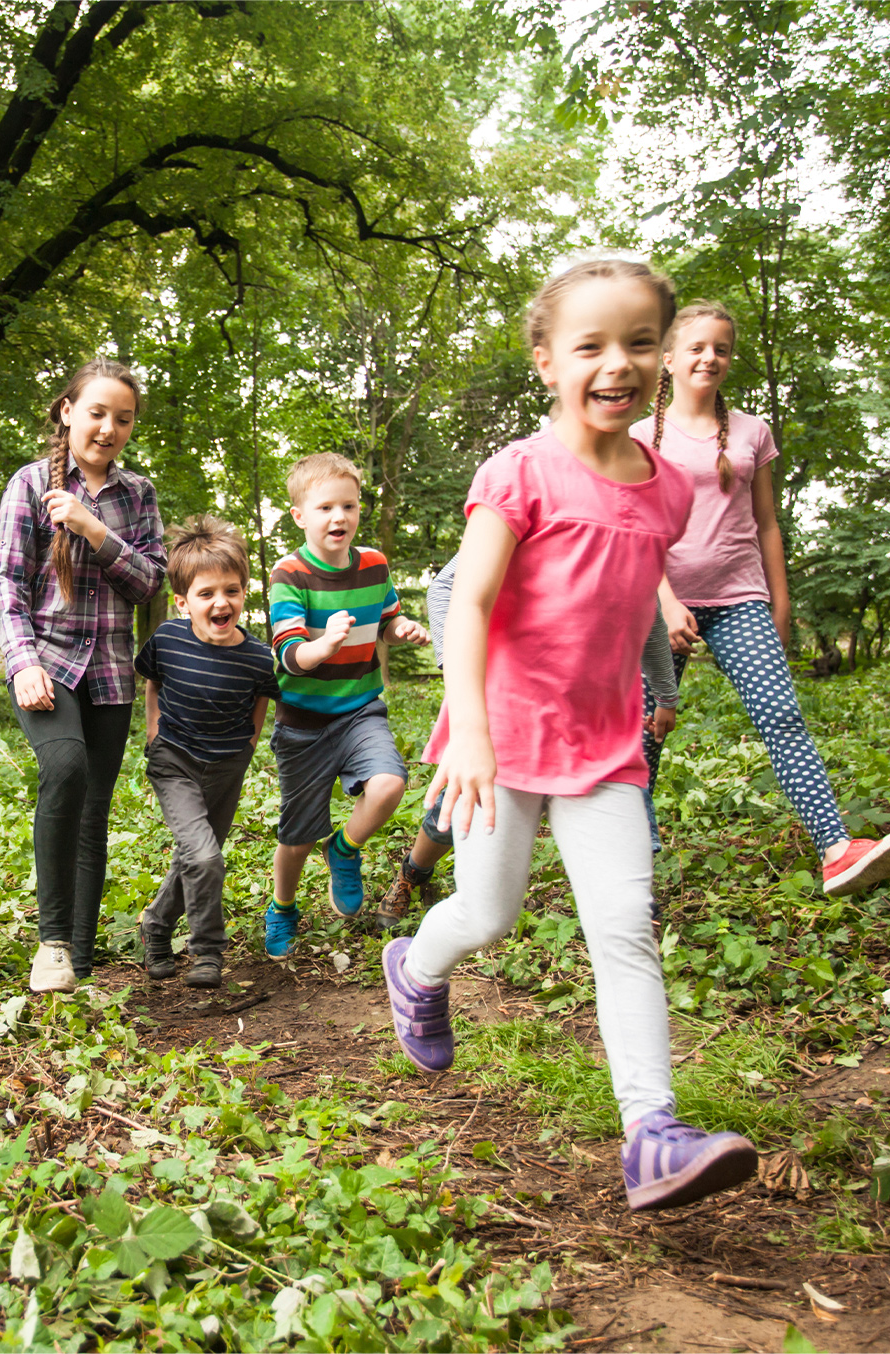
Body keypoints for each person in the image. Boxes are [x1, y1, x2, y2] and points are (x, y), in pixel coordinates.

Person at [382, 256, 759, 1212]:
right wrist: (467, 730)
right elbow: (468, 601)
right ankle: (416, 965)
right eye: (590, 344)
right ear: (547, 361)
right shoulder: (518, 472)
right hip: (500, 743)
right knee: (489, 913)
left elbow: (630, 593)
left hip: (605, 749)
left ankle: (652, 1133)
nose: (617, 363)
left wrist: (667, 648)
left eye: (639, 342)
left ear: (664, 360)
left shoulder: (667, 488)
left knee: (625, 928)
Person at [635, 302, 890, 896]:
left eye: (721, 348)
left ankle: (837, 849)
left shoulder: (752, 431)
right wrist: (662, 600)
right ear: (668, 359)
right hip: (659, 606)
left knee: (782, 718)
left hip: (741, 598)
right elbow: (636, 529)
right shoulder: (639, 436)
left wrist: (779, 607)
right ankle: (634, 864)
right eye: (696, 347)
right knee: (643, 733)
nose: (709, 357)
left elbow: (766, 523)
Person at [376, 554, 681, 930]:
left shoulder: (630, 526)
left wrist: (666, 695)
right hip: (510, 702)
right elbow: (444, 588)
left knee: (619, 797)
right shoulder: (526, 503)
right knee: (458, 808)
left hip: (593, 716)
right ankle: (413, 872)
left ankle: (633, 904)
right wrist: (456, 670)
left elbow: (647, 613)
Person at [0, 360, 167, 994]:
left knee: (94, 812)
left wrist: (93, 530)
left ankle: (80, 967)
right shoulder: (30, 483)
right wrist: (22, 663)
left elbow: (150, 581)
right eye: (96, 412)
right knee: (64, 769)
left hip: (112, 672)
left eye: (122, 418)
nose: (108, 428)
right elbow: (6, 586)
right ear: (67, 412)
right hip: (48, 663)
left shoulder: (137, 495)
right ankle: (52, 944)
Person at [264, 454, 431, 957]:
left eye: (349, 506)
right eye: (325, 508)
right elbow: (290, 654)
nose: (339, 517)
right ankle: (283, 907)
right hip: (303, 722)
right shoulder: (288, 573)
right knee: (296, 837)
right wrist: (323, 647)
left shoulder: (375, 564)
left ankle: (345, 848)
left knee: (389, 784)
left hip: (360, 709)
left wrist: (403, 629)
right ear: (300, 515)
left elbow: (387, 619)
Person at [135, 517, 278, 990]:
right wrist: (154, 731)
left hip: (227, 765)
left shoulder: (258, 657)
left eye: (232, 591)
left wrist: (251, 742)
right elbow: (152, 680)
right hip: (175, 760)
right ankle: (207, 950)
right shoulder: (168, 641)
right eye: (207, 593)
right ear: (183, 602)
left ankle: (155, 925)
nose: (222, 602)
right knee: (205, 856)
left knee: (199, 856)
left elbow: (261, 697)